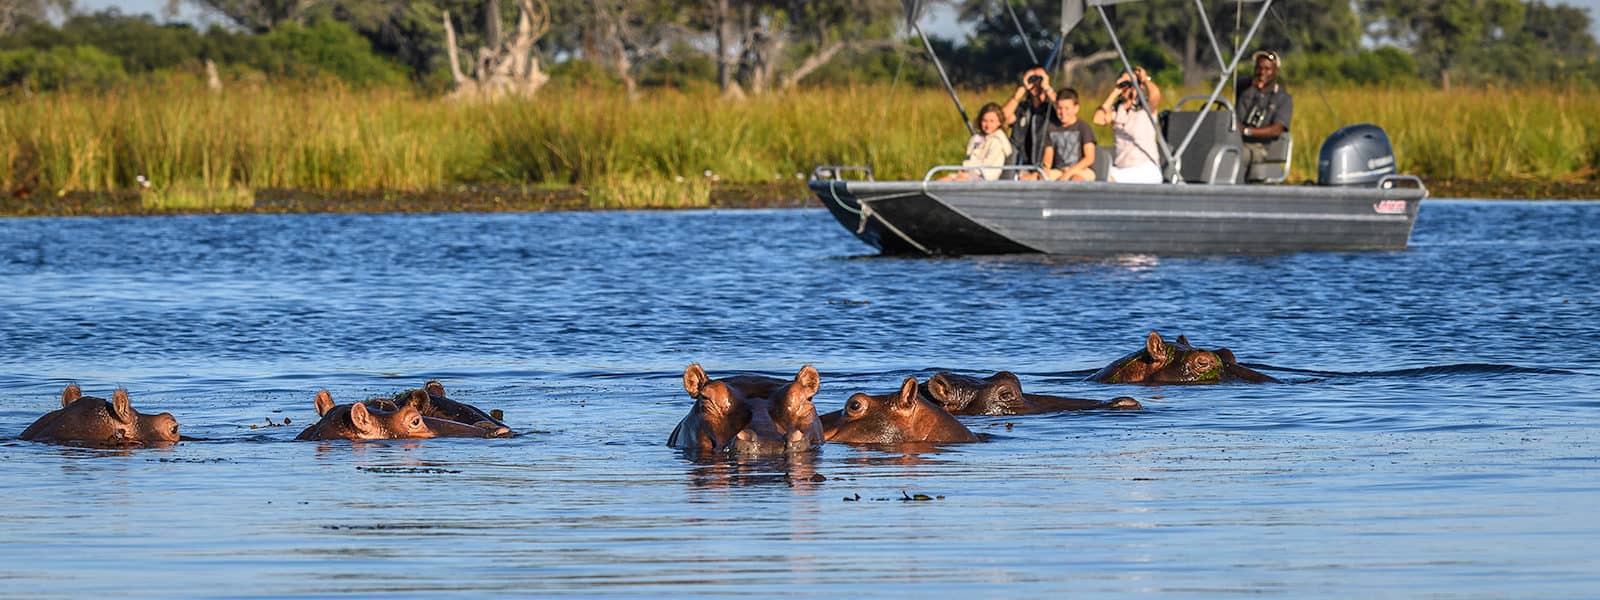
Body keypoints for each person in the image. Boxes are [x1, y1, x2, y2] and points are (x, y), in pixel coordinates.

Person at [1093, 65, 1163, 184]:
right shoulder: (1118, 109)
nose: (1127, 88)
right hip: (1121, 168)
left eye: (1130, 84)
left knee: (1107, 180)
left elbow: (1155, 95)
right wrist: (1115, 91)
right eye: (1125, 83)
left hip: (1145, 169)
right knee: (1093, 176)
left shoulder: (1146, 108)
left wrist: (1145, 80)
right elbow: (1098, 119)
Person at [1236, 50, 1293, 175]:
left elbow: (1277, 129)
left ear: (1275, 71)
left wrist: (1246, 131)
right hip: (1235, 142)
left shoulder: (1283, 98)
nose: (1262, 72)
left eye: (1267, 69)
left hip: (1259, 148)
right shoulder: (1245, 90)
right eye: (1259, 68)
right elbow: (1237, 81)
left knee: (1233, 155)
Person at [1001, 63, 1057, 175]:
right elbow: (1001, 119)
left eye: (1039, 79)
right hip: (1022, 164)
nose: (1036, 84)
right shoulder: (1022, 108)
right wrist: (1020, 90)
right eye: (1032, 79)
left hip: (1048, 165)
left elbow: (1065, 112)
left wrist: (1046, 87)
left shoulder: (1053, 108)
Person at [938, 102, 1013, 181]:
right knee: (944, 180)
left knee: (958, 180)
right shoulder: (977, 138)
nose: (987, 125)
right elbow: (970, 157)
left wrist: (966, 167)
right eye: (985, 121)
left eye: (992, 121)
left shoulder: (998, 141)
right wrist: (965, 170)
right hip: (972, 172)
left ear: (999, 122)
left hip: (986, 176)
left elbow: (988, 164)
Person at [1037, 88, 1096, 181]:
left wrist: (1069, 173)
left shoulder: (1083, 127)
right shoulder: (1051, 128)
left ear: (1076, 108)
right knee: (1032, 178)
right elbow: (1048, 156)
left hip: (1081, 170)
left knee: (1075, 180)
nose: (1063, 112)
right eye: (1060, 108)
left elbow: (1089, 158)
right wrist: (1045, 170)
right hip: (1059, 171)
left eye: (1067, 108)